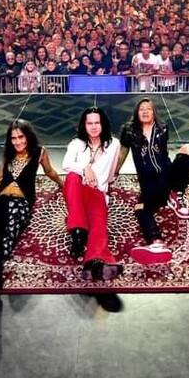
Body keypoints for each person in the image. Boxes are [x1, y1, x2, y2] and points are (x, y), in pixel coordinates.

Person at [0, 120, 62, 292]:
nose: (17, 142)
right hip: (2, 197)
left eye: (21, 137)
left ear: (28, 136)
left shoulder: (39, 152)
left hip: (22, 201)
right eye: (13, 138)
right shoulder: (9, 152)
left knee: (10, 229)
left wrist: (63, 184)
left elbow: (49, 171)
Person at [117, 98, 189, 264]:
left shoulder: (162, 128)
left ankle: (176, 194)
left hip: (167, 174)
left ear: (154, 113)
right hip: (149, 182)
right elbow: (123, 152)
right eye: (142, 109)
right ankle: (156, 242)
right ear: (136, 113)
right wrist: (114, 172)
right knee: (141, 208)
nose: (145, 111)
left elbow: (164, 153)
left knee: (188, 149)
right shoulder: (129, 131)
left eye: (149, 108)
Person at [62, 106, 123, 281]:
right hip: (76, 190)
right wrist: (85, 168)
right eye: (90, 123)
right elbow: (66, 164)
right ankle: (78, 230)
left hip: (96, 191)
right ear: (84, 125)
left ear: (103, 124)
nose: (94, 127)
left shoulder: (114, 144)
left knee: (98, 224)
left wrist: (102, 186)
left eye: (97, 123)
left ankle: (94, 262)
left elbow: (110, 172)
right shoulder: (76, 144)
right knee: (72, 177)